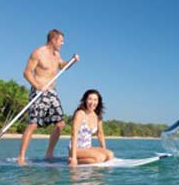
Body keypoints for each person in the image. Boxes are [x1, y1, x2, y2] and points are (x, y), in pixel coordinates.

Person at [17, 29, 79, 165]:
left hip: (52, 92)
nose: (63, 43)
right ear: (53, 39)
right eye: (61, 41)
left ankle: (49, 153)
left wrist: (72, 61)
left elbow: (63, 66)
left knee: (60, 123)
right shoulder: (38, 53)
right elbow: (26, 73)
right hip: (38, 91)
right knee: (33, 124)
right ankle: (21, 157)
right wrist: (38, 86)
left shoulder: (56, 54)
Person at [69, 89, 114, 166]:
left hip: (88, 148)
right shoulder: (80, 114)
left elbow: (100, 134)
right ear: (85, 100)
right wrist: (73, 157)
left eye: (95, 100)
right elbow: (74, 134)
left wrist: (104, 150)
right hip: (76, 149)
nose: (92, 102)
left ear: (98, 102)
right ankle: (72, 159)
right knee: (100, 157)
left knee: (110, 155)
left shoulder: (97, 116)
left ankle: (90, 159)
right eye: (90, 99)